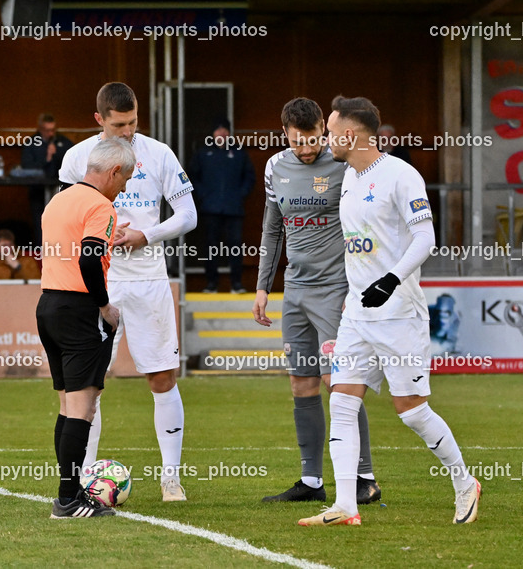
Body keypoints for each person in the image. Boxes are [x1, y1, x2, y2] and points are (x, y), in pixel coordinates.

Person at [299, 96, 480, 527]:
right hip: (357, 314)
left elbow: (424, 239)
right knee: (342, 400)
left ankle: (464, 482)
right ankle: (346, 504)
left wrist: (391, 280)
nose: (326, 138)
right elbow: (359, 243)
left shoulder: (401, 175)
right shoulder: (347, 176)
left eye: (331, 130)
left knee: (412, 410)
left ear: (351, 133)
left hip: (398, 312)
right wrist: (355, 289)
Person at [59, 82, 198, 502]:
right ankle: (83, 479)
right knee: (86, 384)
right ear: (98, 119)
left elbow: (188, 215)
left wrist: (146, 235)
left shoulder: (158, 154)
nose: (127, 132)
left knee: (161, 375)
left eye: (133, 122)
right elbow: (65, 214)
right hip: (97, 281)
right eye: (119, 124)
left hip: (148, 280)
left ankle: (171, 477)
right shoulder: (76, 157)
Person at [253, 97, 380, 505]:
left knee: (339, 382)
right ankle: (311, 481)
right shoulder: (276, 167)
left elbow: (368, 223)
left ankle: (364, 477)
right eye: (296, 142)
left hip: (336, 290)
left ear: (324, 128)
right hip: (296, 291)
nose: (305, 149)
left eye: (312, 140)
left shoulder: (344, 164)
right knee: (302, 382)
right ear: (284, 134)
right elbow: (273, 229)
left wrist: (359, 286)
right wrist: (262, 287)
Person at [38, 137, 133, 519]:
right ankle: (68, 499)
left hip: (49, 304)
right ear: (112, 172)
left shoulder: (59, 199)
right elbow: (90, 260)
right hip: (80, 309)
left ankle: (71, 491)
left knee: (66, 405)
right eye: (124, 179)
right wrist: (104, 305)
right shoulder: (100, 205)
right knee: (83, 407)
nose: (124, 186)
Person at [188, 119, 254, 293]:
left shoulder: (239, 153)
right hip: (210, 209)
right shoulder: (203, 153)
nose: (222, 134)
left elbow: (250, 176)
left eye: (225, 130)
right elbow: (192, 177)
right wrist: (203, 195)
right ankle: (211, 284)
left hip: (234, 209)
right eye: (218, 131)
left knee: (235, 246)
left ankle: (237, 284)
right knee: (210, 246)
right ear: (212, 134)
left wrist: (241, 193)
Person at [22, 114, 74, 243]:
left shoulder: (64, 142)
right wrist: (47, 159)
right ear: (40, 129)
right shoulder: (31, 144)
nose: (51, 133)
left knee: (61, 222)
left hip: (60, 191)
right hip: (38, 191)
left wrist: (56, 156)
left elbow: (72, 162)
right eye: (47, 130)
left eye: (53, 130)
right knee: (40, 223)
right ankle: (42, 252)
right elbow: (26, 166)